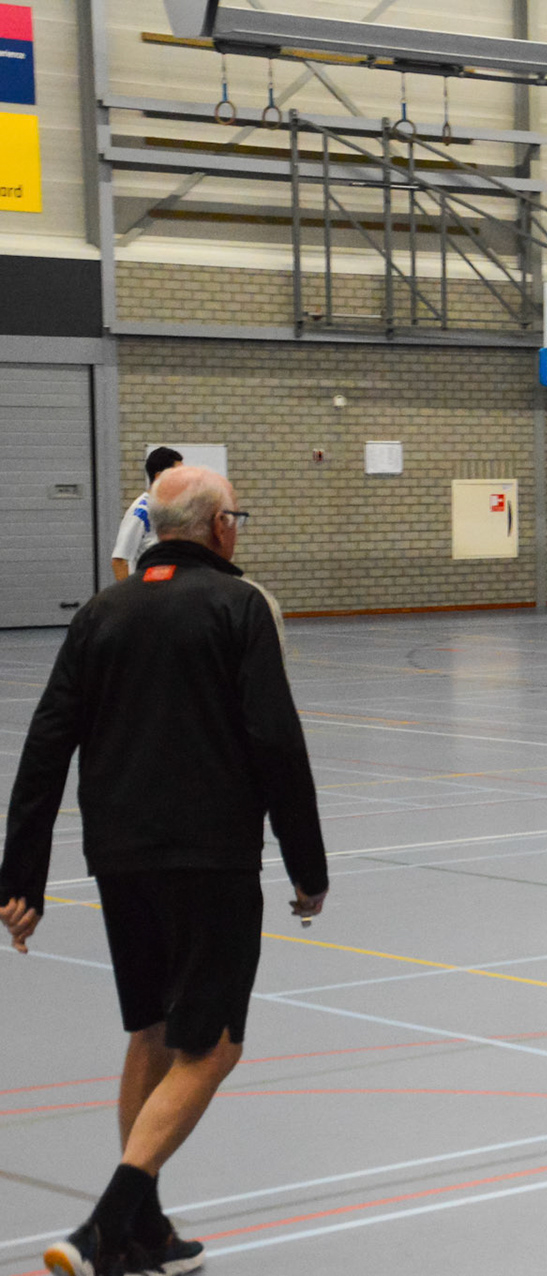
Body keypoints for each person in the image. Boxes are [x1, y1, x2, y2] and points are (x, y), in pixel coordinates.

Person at [1, 466, 329, 1276]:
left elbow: (47, 743)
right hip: (209, 858)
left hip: (119, 857)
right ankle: (104, 1226)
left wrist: (21, 878)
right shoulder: (239, 605)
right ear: (219, 526)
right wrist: (308, 866)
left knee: (150, 1032)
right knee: (212, 1047)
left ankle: (144, 1236)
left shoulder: (101, 612)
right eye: (237, 516)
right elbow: (275, 740)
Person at [110, 447, 185, 582]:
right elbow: (119, 561)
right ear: (159, 477)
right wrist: (130, 594)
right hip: (148, 591)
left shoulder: (170, 509)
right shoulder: (141, 512)